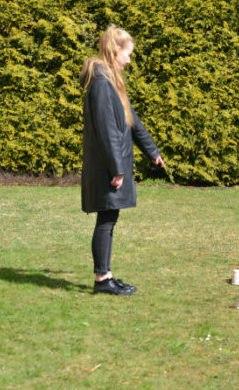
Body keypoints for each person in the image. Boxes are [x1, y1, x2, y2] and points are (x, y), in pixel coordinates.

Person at [80, 25, 165, 296]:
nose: (129, 60)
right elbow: (107, 132)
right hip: (108, 167)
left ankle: (105, 276)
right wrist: (117, 170)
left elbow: (132, 121)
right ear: (116, 51)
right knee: (106, 219)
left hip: (111, 165)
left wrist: (152, 151)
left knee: (109, 218)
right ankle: (102, 279)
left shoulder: (111, 82)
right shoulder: (102, 84)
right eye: (127, 54)